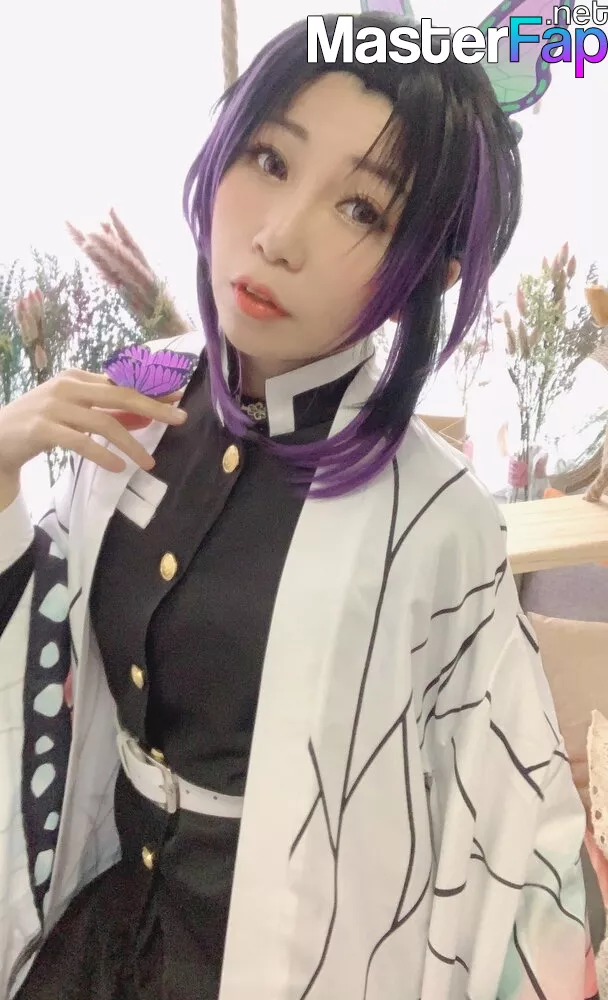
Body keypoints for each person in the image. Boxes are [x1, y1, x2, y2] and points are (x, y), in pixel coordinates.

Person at [0, 11, 599, 1000]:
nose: (278, 236)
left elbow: (507, 833)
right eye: (270, 159)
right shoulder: (135, 403)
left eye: (361, 208)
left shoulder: (434, 515)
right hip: (104, 937)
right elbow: (53, 669)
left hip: (303, 958)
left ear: (429, 272)